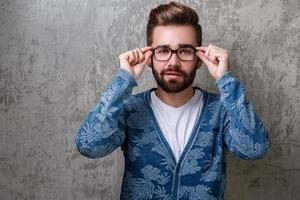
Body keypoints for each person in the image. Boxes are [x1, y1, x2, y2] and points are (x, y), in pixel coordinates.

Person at [75, 1, 271, 199]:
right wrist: (124, 80)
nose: (173, 62)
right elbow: (89, 146)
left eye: (185, 51)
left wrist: (225, 80)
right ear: (150, 57)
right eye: (163, 51)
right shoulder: (129, 109)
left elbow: (254, 149)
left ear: (199, 59)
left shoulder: (222, 111)